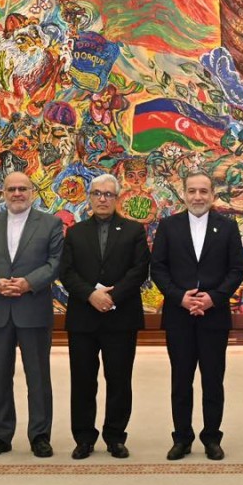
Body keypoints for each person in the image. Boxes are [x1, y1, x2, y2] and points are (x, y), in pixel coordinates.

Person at [0, 171, 64, 459]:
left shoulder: (50, 223)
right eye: (12, 189)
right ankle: (0, 434)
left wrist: (28, 283)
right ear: (4, 193)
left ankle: (40, 435)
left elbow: (56, 262)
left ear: (32, 192)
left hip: (33, 308)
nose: (17, 194)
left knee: (38, 376)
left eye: (23, 188)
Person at [151, 170, 243, 461]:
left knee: (213, 381)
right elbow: (158, 268)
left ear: (213, 195)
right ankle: (182, 438)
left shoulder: (227, 227)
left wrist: (213, 298)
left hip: (213, 316)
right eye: (192, 191)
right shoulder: (168, 226)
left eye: (204, 191)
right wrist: (180, 297)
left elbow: (236, 270)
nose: (198, 196)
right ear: (184, 194)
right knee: (181, 381)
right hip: (178, 316)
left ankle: (212, 438)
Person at [58, 173, 150, 460]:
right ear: (90, 198)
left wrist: (112, 296)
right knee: (83, 381)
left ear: (117, 198)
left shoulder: (134, 231)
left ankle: (115, 437)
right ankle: (84, 438)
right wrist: (91, 295)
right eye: (97, 193)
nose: (102, 199)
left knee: (119, 380)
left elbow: (139, 269)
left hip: (120, 317)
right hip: (83, 318)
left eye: (108, 194)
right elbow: (66, 272)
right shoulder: (75, 232)